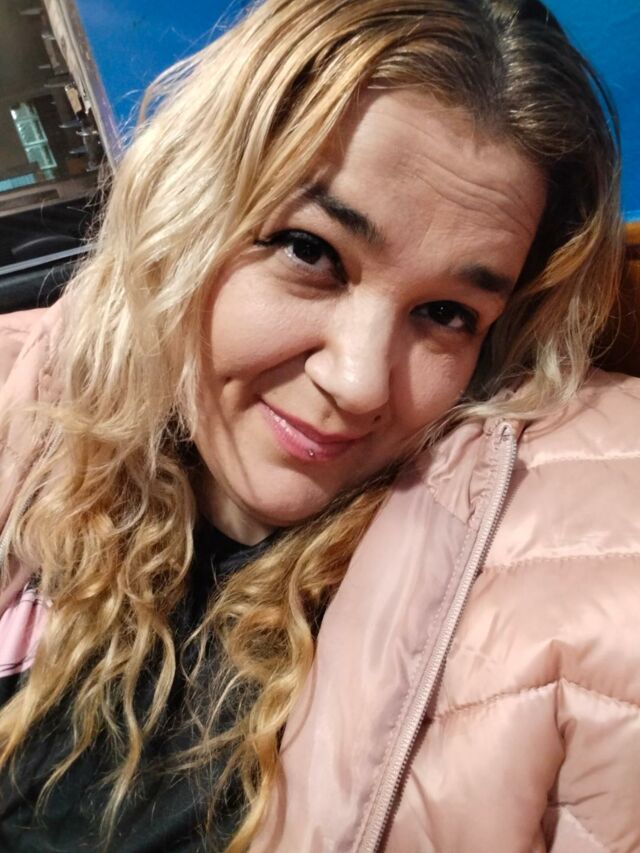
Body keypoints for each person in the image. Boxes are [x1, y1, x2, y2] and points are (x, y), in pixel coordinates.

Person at [0, 0, 638, 850]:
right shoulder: (35, 409)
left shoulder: (494, 571)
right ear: (188, 214)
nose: (360, 382)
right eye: (312, 252)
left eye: (447, 313)